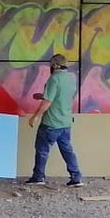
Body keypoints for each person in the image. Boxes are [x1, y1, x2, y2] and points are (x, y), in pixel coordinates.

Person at [25, 53, 83, 187]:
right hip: (65, 122)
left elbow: (48, 102)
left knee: (42, 150)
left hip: (51, 123)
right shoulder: (70, 79)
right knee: (67, 150)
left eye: (51, 64)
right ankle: (76, 177)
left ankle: (38, 177)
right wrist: (43, 96)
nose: (50, 67)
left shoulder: (54, 79)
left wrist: (35, 116)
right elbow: (62, 97)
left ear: (55, 65)